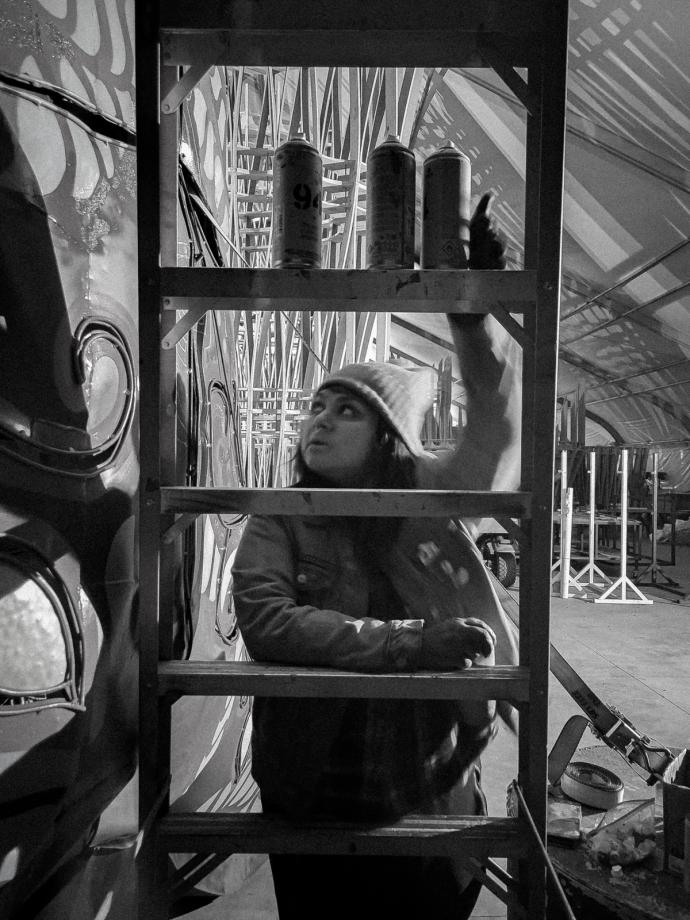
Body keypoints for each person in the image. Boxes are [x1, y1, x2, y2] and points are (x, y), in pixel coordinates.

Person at [231, 193, 522, 920]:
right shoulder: (282, 513)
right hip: (314, 792)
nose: (319, 421)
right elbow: (268, 621)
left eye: (346, 409)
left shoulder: (426, 493)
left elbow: (494, 432)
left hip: (429, 789)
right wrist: (407, 642)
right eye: (316, 409)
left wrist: (471, 312)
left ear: (389, 432)